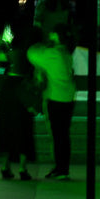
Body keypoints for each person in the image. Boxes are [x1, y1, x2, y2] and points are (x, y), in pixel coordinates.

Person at [27, 27, 77, 179]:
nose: (49, 35)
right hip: (68, 99)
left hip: (56, 99)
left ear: (57, 36)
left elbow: (31, 54)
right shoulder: (66, 53)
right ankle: (62, 168)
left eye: (52, 33)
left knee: (57, 136)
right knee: (64, 135)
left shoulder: (53, 54)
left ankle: (60, 169)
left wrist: (41, 44)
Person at [0, 22, 39, 180]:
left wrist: (3, 37)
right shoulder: (32, 53)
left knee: (8, 128)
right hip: (24, 88)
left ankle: (5, 166)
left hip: (9, 89)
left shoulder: (12, 52)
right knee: (25, 128)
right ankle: (22, 168)